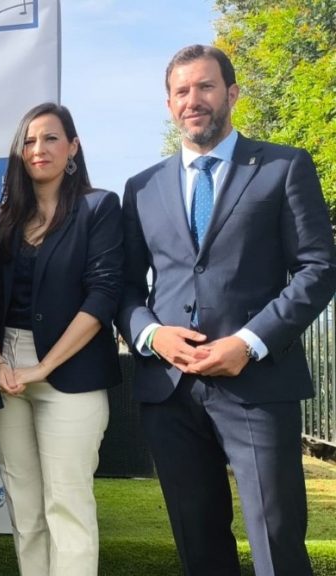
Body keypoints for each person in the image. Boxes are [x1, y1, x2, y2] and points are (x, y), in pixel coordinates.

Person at [118, 44, 336, 576]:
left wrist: (248, 342)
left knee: (277, 541)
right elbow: (123, 287)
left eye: (206, 87)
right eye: (181, 91)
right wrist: (152, 336)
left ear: (232, 93)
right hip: (170, 391)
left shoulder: (283, 166)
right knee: (198, 546)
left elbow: (318, 269)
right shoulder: (141, 187)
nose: (193, 100)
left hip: (258, 384)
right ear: (169, 104)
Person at [0, 102, 122, 576]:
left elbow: (103, 295)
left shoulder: (98, 208)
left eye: (51, 138)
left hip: (71, 371)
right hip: (7, 372)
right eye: (29, 141)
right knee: (25, 510)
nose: (38, 149)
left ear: (73, 147)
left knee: (68, 506)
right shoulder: (1, 220)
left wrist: (43, 366)